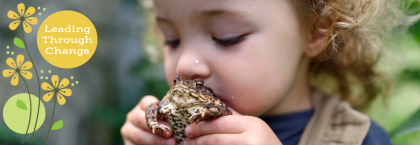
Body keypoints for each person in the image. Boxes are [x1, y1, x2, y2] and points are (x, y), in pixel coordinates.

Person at [121, 0, 419, 144]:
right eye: (171, 39)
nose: (184, 64)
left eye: (228, 36)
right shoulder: (178, 130)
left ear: (315, 32)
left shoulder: (358, 139)